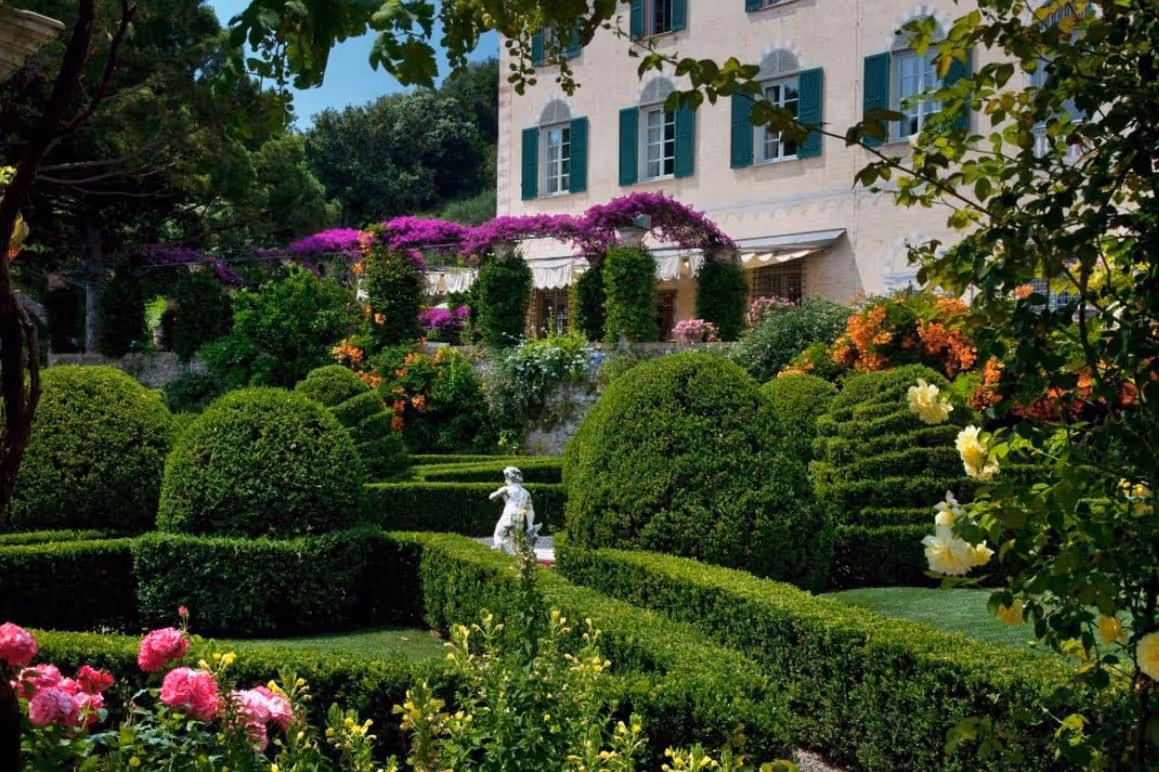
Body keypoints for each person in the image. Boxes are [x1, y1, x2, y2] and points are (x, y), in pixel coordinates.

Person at [489, 466, 537, 554]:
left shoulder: (506, 489)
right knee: (517, 541)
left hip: (508, 515)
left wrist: (500, 493)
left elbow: (491, 497)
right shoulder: (526, 493)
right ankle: (518, 557)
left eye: (505, 478)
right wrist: (530, 524)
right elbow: (530, 510)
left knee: (498, 534)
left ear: (508, 478)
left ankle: (502, 549)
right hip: (519, 517)